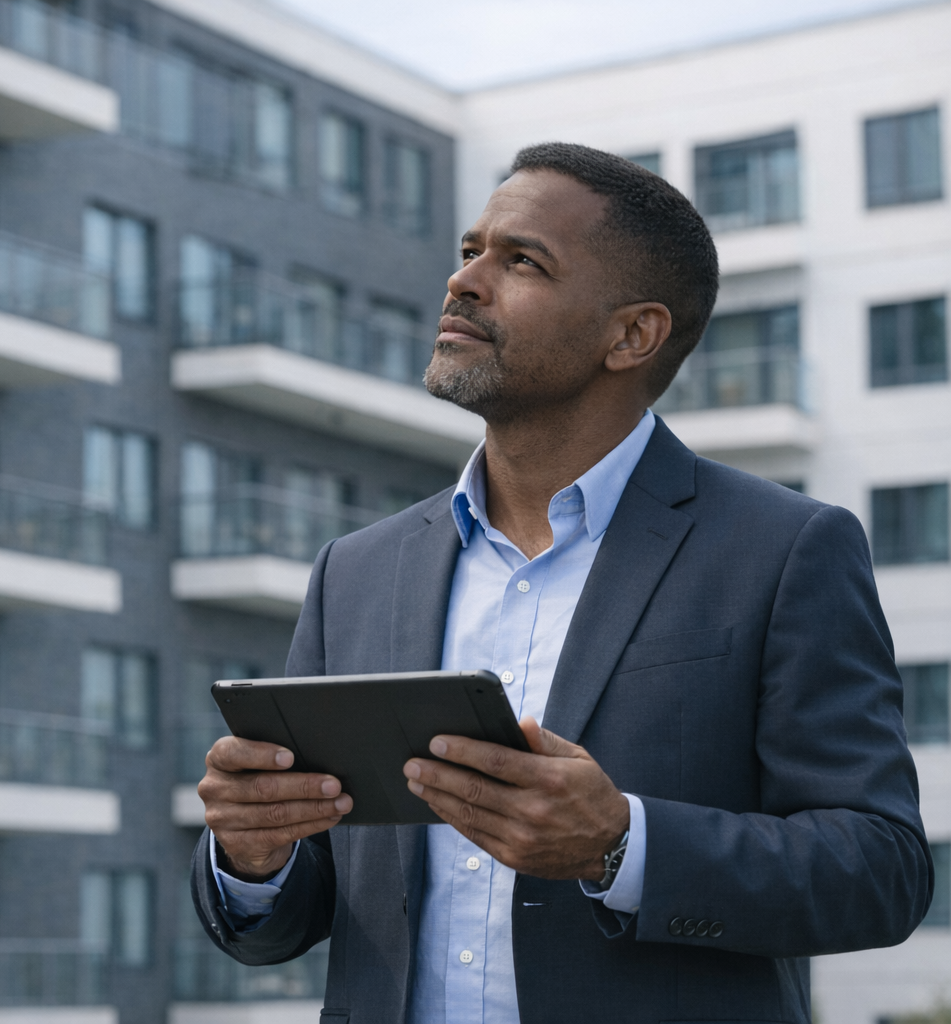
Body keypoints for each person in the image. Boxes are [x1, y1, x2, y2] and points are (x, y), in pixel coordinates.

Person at [189, 142, 933, 1024]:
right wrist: (251, 855)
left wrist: (621, 844)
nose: (465, 281)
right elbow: (297, 917)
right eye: (471, 250)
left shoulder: (786, 549)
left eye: (522, 261)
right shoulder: (356, 570)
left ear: (633, 334)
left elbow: (881, 870)